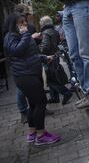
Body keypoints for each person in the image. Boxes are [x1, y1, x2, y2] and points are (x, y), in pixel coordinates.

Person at [3, 13, 60, 145]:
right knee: (41, 102)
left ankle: (32, 132)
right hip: (25, 76)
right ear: (13, 24)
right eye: (20, 23)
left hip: (30, 73)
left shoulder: (18, 36)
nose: (24, 25)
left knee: (33, 104)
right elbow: (17, 51)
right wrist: (26, 35)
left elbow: (28, 56)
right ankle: (40, 135)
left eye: (25, 22)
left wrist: (44, 58)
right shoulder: (11, 36)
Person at [38, 16, 72, 105]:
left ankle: (66, 93)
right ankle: (54, 97)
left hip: (48, 58)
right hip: (55, 56)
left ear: (43, 24)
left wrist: (38, 48)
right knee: (53, 76)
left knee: (51, 79)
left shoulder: (45, 33)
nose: (40, 24)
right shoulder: (55, 31)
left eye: (40, 23)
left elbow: (45, 47)